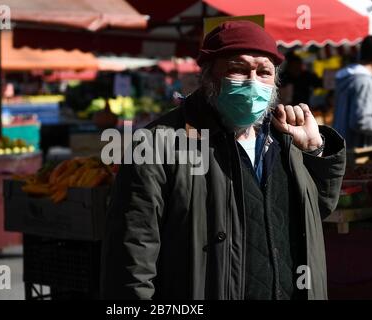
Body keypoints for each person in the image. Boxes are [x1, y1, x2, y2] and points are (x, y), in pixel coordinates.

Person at [100, 21, 346, 300]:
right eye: (238, 69)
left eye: (264, 72)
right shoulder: (159, 144)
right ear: (208, 78)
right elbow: (132, 256)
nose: (253, 82)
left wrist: (315, 150)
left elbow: (317, 212)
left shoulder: (285, 138)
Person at [333, 35, 372, 149]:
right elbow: (361, 121)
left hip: (345, 148)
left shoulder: (348, 77)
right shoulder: (365, 81)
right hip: (360, 152)